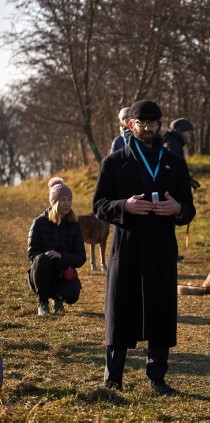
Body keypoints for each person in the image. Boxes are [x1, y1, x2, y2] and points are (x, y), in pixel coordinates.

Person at [93, 99, 196, 395]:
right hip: (126, 247)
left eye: (153, 124)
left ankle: (157, 377)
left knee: (160, 311)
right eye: (143, 124)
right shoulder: (113, 162)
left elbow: (188, 207)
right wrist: (124, 205)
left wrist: (177, 208)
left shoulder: (175, 163)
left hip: (162, 247)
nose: (149, 129)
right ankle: (113, 378)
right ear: (131, 125)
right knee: (121, 311)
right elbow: (99, 205)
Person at [27, 177, 85, 316]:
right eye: (62, 200)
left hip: (63, 271)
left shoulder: (74, 225)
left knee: (72, 295)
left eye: (69, 199)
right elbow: (32, 252)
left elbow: (81, 258)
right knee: (41, 260)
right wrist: (46, 257)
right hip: (41, 273)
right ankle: (43, 303)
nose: (67, 204)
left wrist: (61, 256)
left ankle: (58, 299)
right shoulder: (39, 222)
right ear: (54, 202)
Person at [163, 118, 200, 190]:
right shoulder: (172, 144)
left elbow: (179, 167)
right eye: (188, 133)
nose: (189, 136)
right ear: (180, 131)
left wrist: (189, 179)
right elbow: (174, 168)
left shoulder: (176, 143)